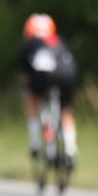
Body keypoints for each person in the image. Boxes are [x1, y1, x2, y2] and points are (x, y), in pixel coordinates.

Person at [20, 14, 78, 169]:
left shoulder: (30, 44)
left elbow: (26, 73)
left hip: (42, 76)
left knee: (33, 100)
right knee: (65, 111)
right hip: (67, 74)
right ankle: (71, 150)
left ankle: (35, 143)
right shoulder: (59, 40)